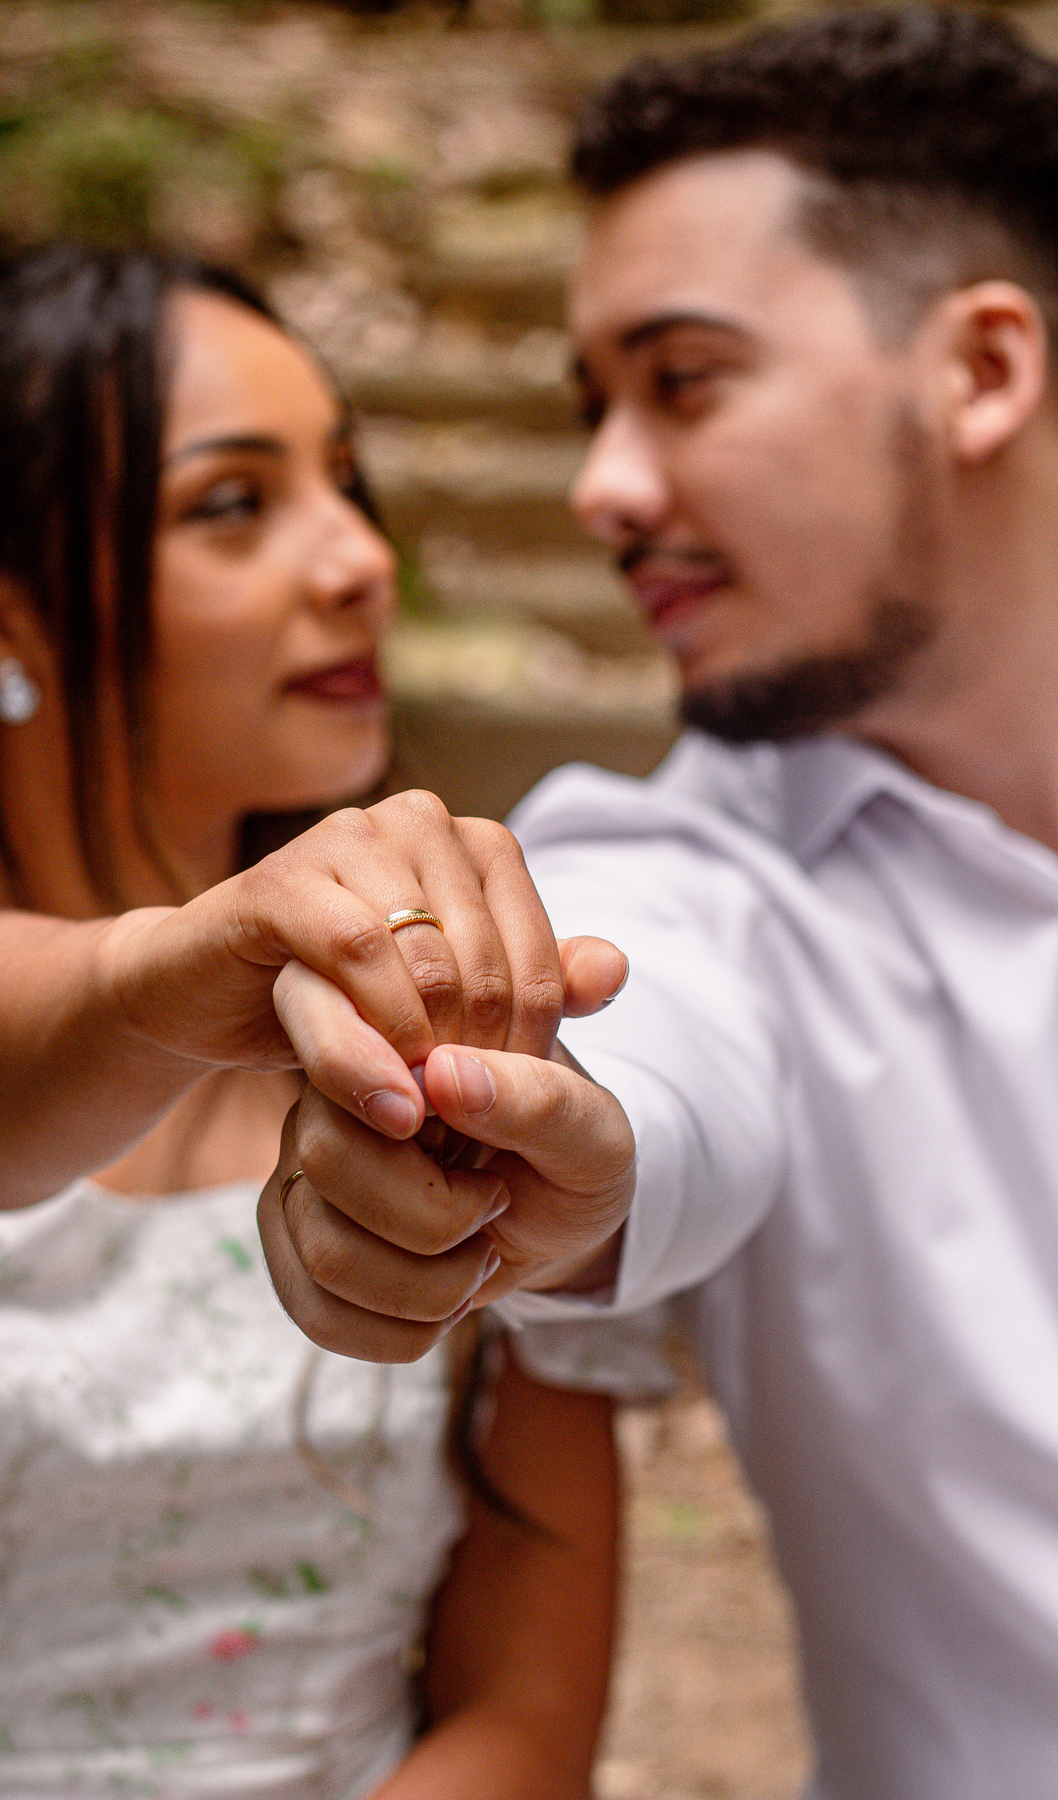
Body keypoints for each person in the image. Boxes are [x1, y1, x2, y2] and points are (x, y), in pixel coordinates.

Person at [246, 10, 1058, 1798]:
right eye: (592, 408)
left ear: (984, 371)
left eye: (684, 382)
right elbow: (647, 1061)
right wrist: (529, 1148)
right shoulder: (686, 877)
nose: (605, 488)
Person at [0, 245, 620, 1799]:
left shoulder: (457, 1013)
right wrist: (178, 972)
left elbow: (526, 1711)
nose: (357, 560)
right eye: (230, 504)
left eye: (345, 482)